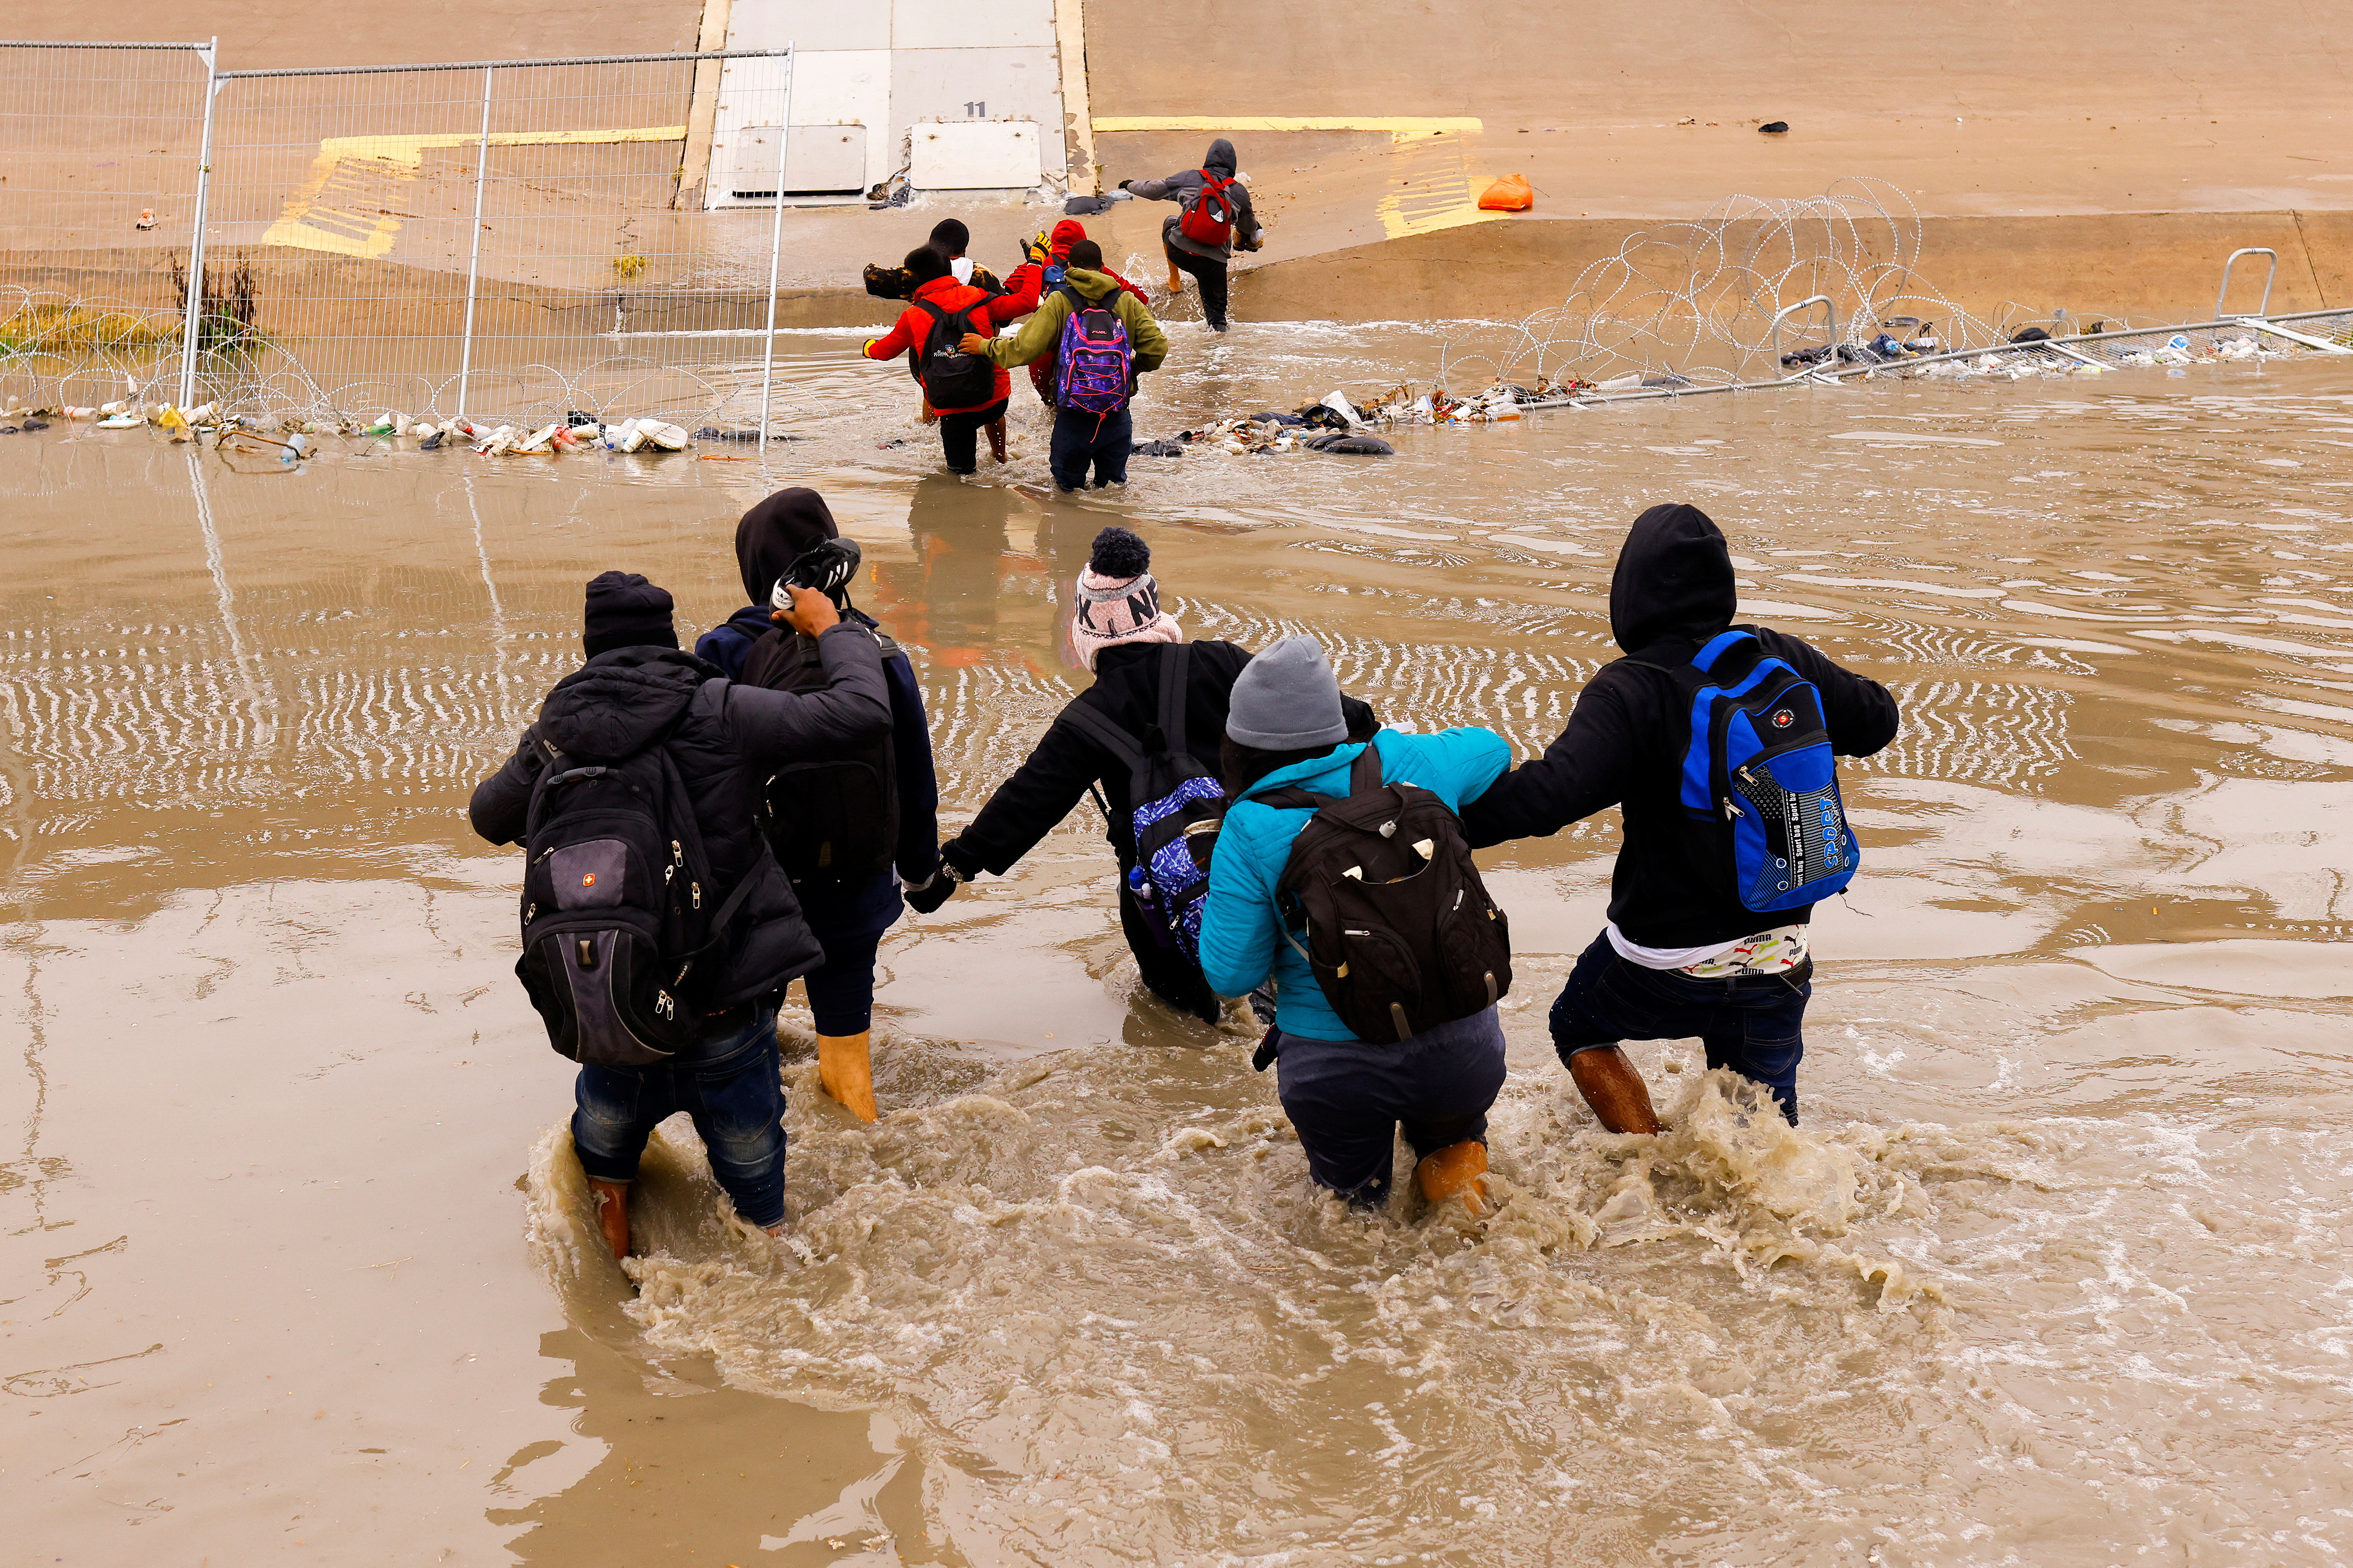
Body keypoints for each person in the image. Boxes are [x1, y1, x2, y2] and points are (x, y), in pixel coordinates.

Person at [470, 571, 892, 1259]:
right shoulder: (715, 707)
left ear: (589, 645)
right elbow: (857, 712)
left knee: (607, 1150)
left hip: (613, 1000)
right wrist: (833, 629)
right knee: (754, 1177)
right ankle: (774, 1260)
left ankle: (613, 1255)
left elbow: (488, 817)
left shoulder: (556, 732)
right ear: (667, 637)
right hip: (724, 1001)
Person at [1459, 504, 1901, 1132]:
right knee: (1762, 1132)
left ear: (1629, 591)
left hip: (1665, 956)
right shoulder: (1776, 655)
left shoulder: (1630, 685)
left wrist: (1436, 820)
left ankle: (1646, 1159)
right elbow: (1877, 720)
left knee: (1576, 1025)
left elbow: (1550, 795)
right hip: (1778, 951)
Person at [911, 527, 1373, 1022]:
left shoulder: (1083, 722)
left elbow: (1026, 804)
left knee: (1194, 1033)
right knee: (1293, 1007)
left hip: (1159, 907)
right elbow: (1342, 721)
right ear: (1151, 607)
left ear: (1083, 628)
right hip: (1263, 875)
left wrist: (948, 872)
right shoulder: (1222, 664)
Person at [1197, 636, 1512, 1214]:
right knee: (1453, 1147)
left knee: (1352, 1215)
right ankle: (1468, 1223)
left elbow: (1229, 973)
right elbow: (1494, 749)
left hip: (1336, 1070)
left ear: (1237, 742)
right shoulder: (1404, 763)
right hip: (1460, 1048)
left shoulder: (1246, 825)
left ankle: (1360, 1292)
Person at [695, 487, 942, 1122]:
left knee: (746, 1048)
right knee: (845, 1054)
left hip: (757, 895)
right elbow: (914, 772)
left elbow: (702, 775)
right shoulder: (875, 650)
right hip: (856, 887)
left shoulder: (722, 650)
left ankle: (763, 1178)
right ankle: (861, 1144)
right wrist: (916, 867)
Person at [958, 239, 1167, 492]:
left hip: (1073, 417)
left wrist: (984, 346)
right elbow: (1157, 349)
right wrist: (1133, 368)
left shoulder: (1059, 302)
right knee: (1113, 493)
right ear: (1102, 266)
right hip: (1116, 416)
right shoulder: (1128, 302)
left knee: (1066, 495)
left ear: (1068, 267)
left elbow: (1023, 350)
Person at [863, 246, 1031, 476]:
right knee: (992, 409)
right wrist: (1034, 263)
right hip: (994, 400)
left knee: (961, 477)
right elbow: (1027, 303)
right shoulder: (979, 298)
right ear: (950, 270)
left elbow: (885, 352)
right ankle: (1000, 456)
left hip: (952, 409)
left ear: (915, 279)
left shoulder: (914, 315)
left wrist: (868, 348)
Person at [1001, 220, 1151, 408]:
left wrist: (1032, 263)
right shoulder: (1101, 271)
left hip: (1048, 351)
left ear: (1053, 242)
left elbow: (1006, 294)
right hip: (1094, 347)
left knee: (1053, 404)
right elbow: (1141, 298)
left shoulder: (1041, 263)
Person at [1120, 139, 1263, 332]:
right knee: (1218, 321)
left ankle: (1175, 280)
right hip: (1214, 263)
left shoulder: (1190, 178)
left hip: (1180, 251)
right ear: (1233, 165)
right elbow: (1247, 227)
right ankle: (1218, 358)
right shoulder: (1239, 192)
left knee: (1170, 222)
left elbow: (1154, 190)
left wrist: (1129, 185)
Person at [862, 218, 1012, 300]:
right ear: (964, 249)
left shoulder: (916, 270)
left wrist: (872, 266)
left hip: (928, 350)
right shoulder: (981, 273)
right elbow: (1004, 317)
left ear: (931, 244)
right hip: (975, 350)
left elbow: (872, 280)